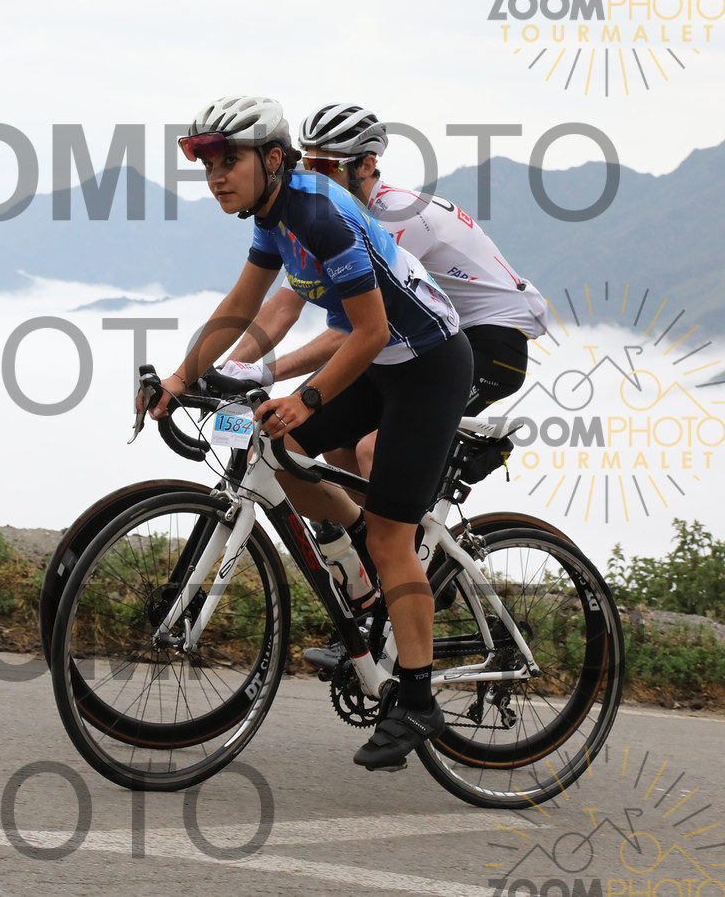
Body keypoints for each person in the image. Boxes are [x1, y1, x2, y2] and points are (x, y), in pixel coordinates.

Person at [150, 94, 475, 771]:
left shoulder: (318, 213)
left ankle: (418, 699)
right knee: (281, 450)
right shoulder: (272, 215)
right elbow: (243, 305)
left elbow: (372, 330)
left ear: (273, 158)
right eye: (207, 164)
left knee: (391, 534)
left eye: (228, 161)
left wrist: (306, 397)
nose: (215, 177)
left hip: (428, 364)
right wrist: (183, 377)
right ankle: (367, 567)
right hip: (379, 360)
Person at [221, 102, 550, 671]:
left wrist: (272, 373)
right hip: (412, 346)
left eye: (329, 166)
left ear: (367, 166)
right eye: (309, 164)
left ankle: (401, 581)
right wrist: (233, 365)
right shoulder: (325, 213)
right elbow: (287, 301)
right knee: (334, 450)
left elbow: (356, 332)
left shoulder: (393, 218)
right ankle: (376, 590)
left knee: (374, 450)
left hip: (487, 342)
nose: (314, 176)